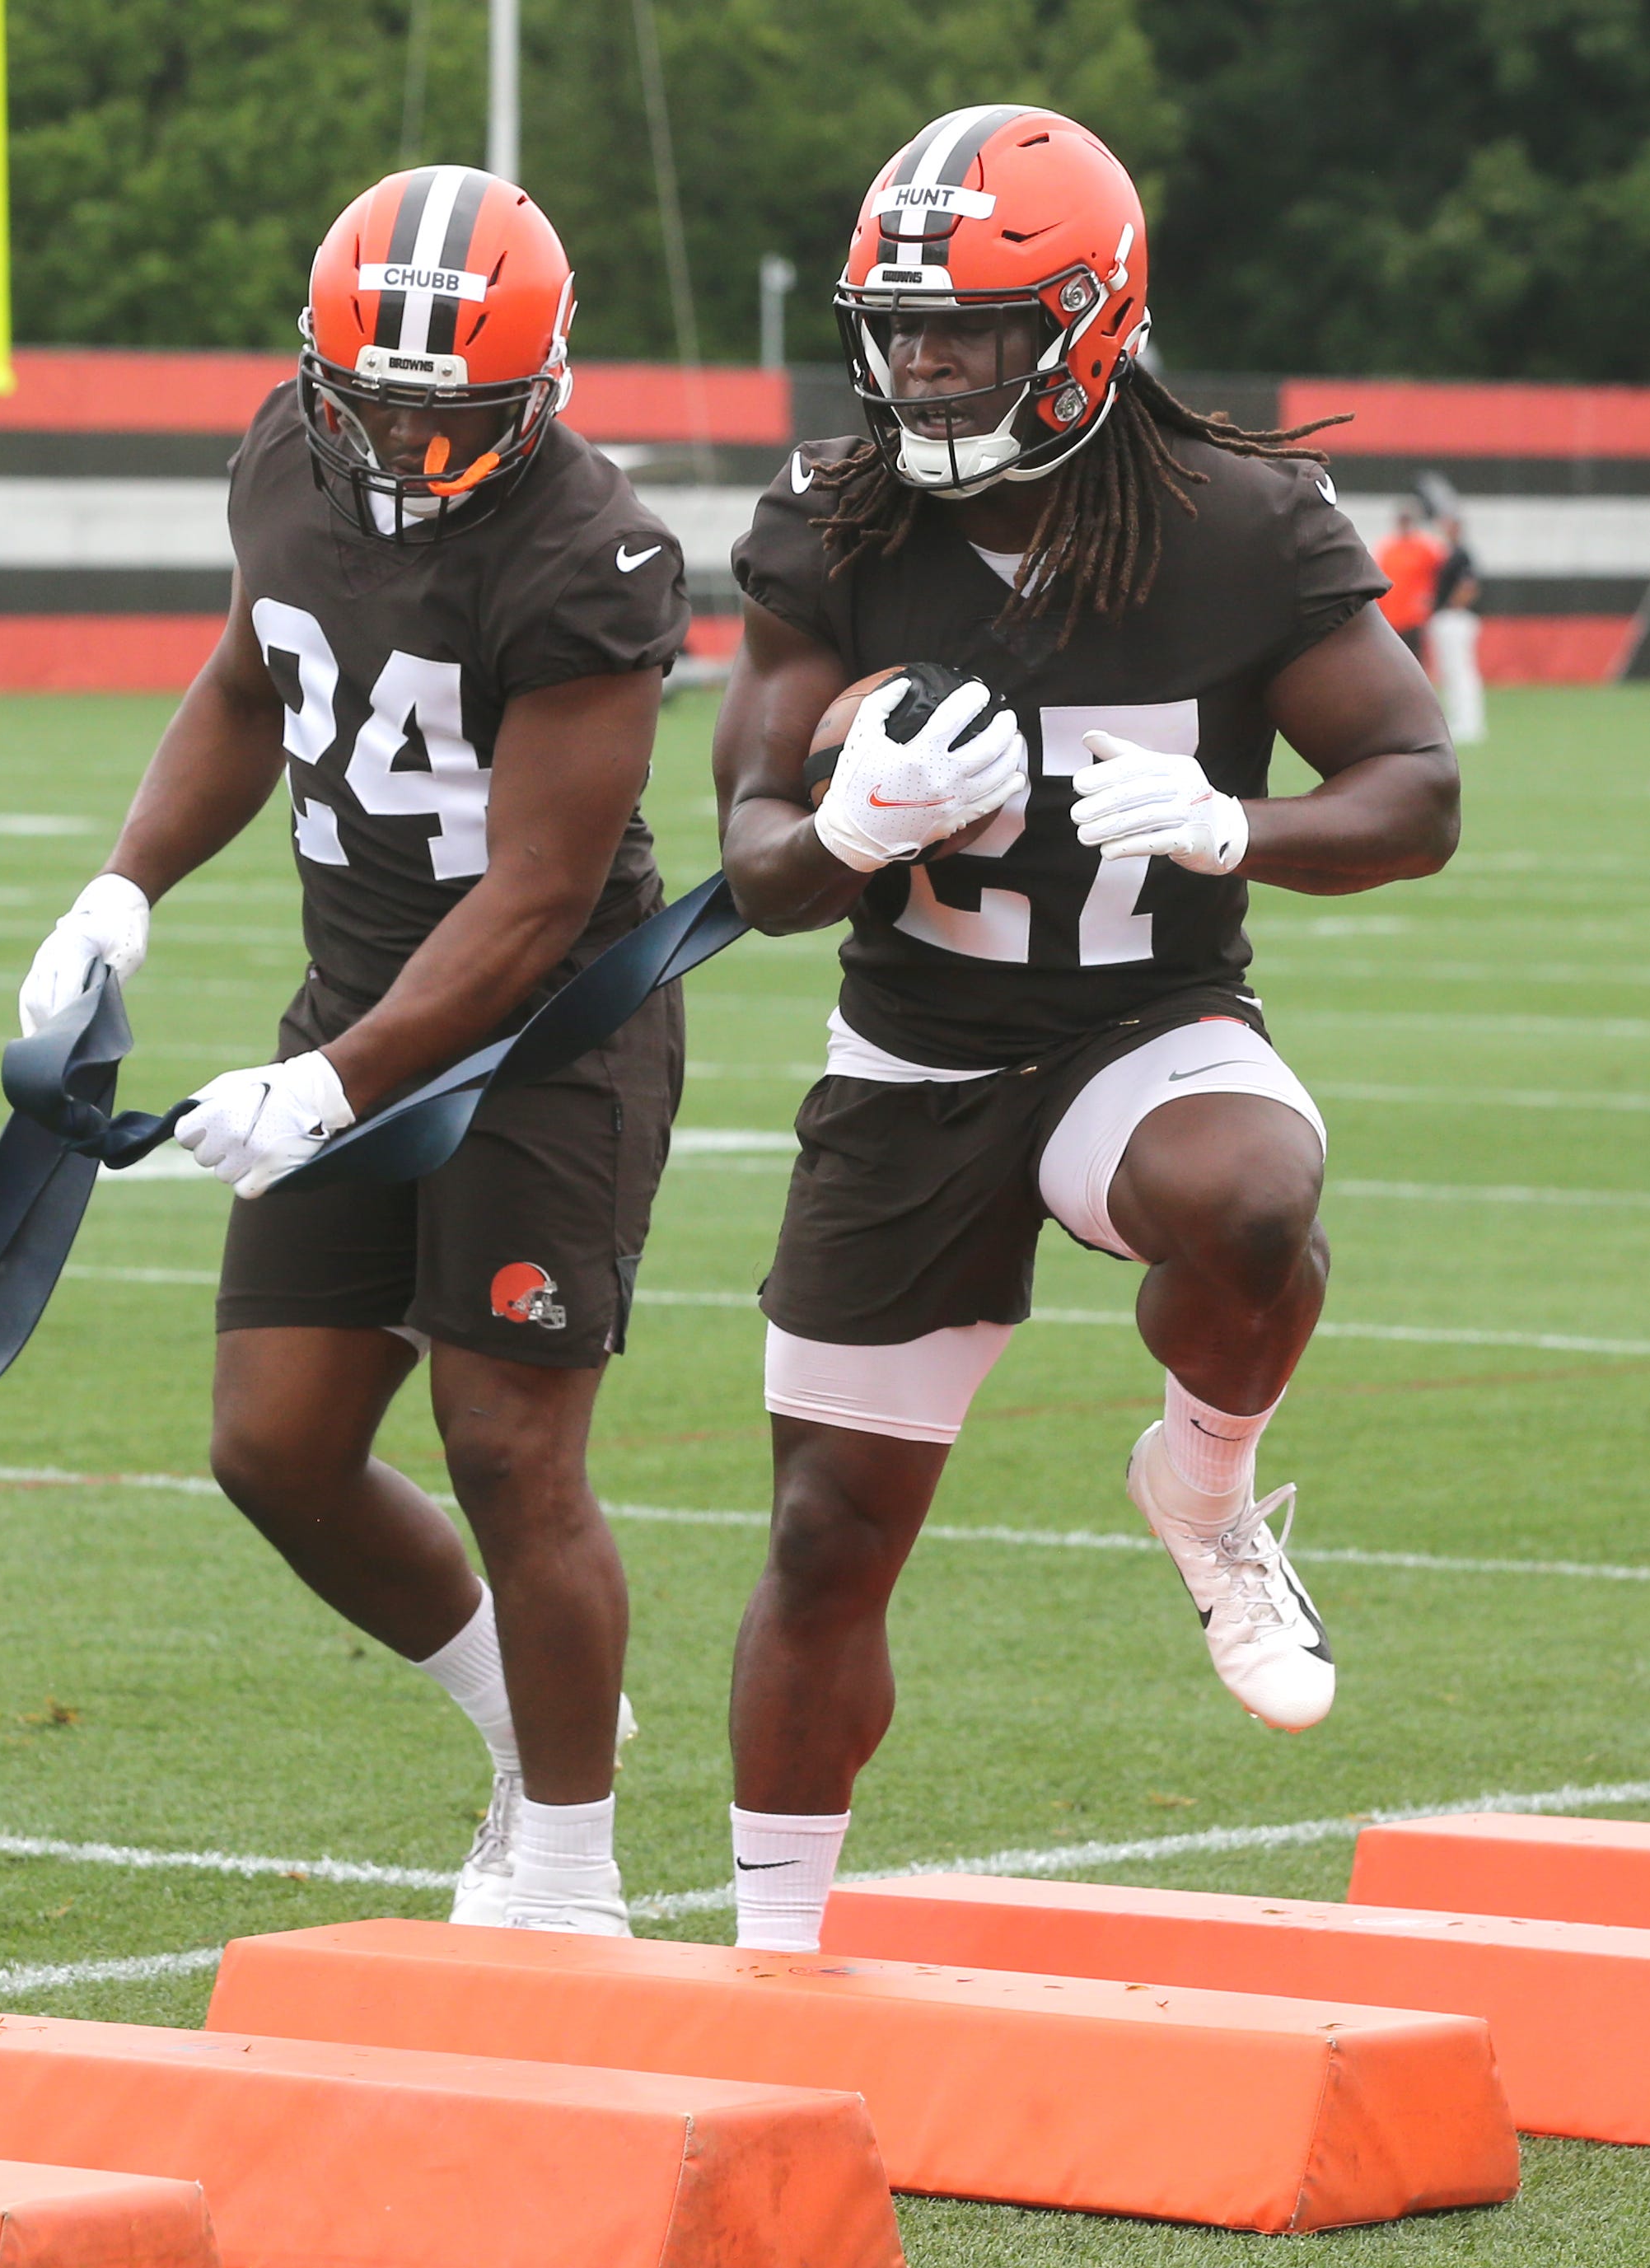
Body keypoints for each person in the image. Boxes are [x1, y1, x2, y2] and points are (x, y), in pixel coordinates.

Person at [710, 107, 1456, 1951]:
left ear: (1093, 321)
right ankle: (771, 1954)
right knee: (822, 1539)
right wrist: (840, 832)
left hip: (1142, 1017)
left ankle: (1202, 1484)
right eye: (900, 323)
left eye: (968, 323)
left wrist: (1238, 828)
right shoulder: (838, 515)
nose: (925, 360)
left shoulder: (1235, 520)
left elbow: (1413, 782)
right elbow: (744, 854)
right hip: (911, 1055)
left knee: (1254, 1192)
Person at [16, 167, 688, 1933]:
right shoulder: (281, 457)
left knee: (507, 1445)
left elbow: (540, 896)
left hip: (551, 1038)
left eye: (445, 410)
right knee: (276, 1439)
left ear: (540, 392)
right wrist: (123, 882)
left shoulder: (593, 550)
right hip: (359, 1001)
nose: (399, 437)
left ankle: (567, 1868)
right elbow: (254, 681)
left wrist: (330, 1082)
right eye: (370, 397)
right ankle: (531, 1723)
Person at [1427, 509, 1485, 745]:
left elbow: (1469, 585)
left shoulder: (1461, 554)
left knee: (1461, 670)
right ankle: (1458, 719)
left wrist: (1454, 606)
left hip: (1455, 618)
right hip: (1446, 616)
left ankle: (1469, 722)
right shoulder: (1448, 553)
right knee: (1450, 671)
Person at [1374, 499, 1447, 665]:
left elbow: (1443, 573)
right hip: (1391, 614)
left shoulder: (1426, 547)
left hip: (1415, 615)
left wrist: (1432, 598)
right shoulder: (1388, 548)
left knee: (1414, 658)